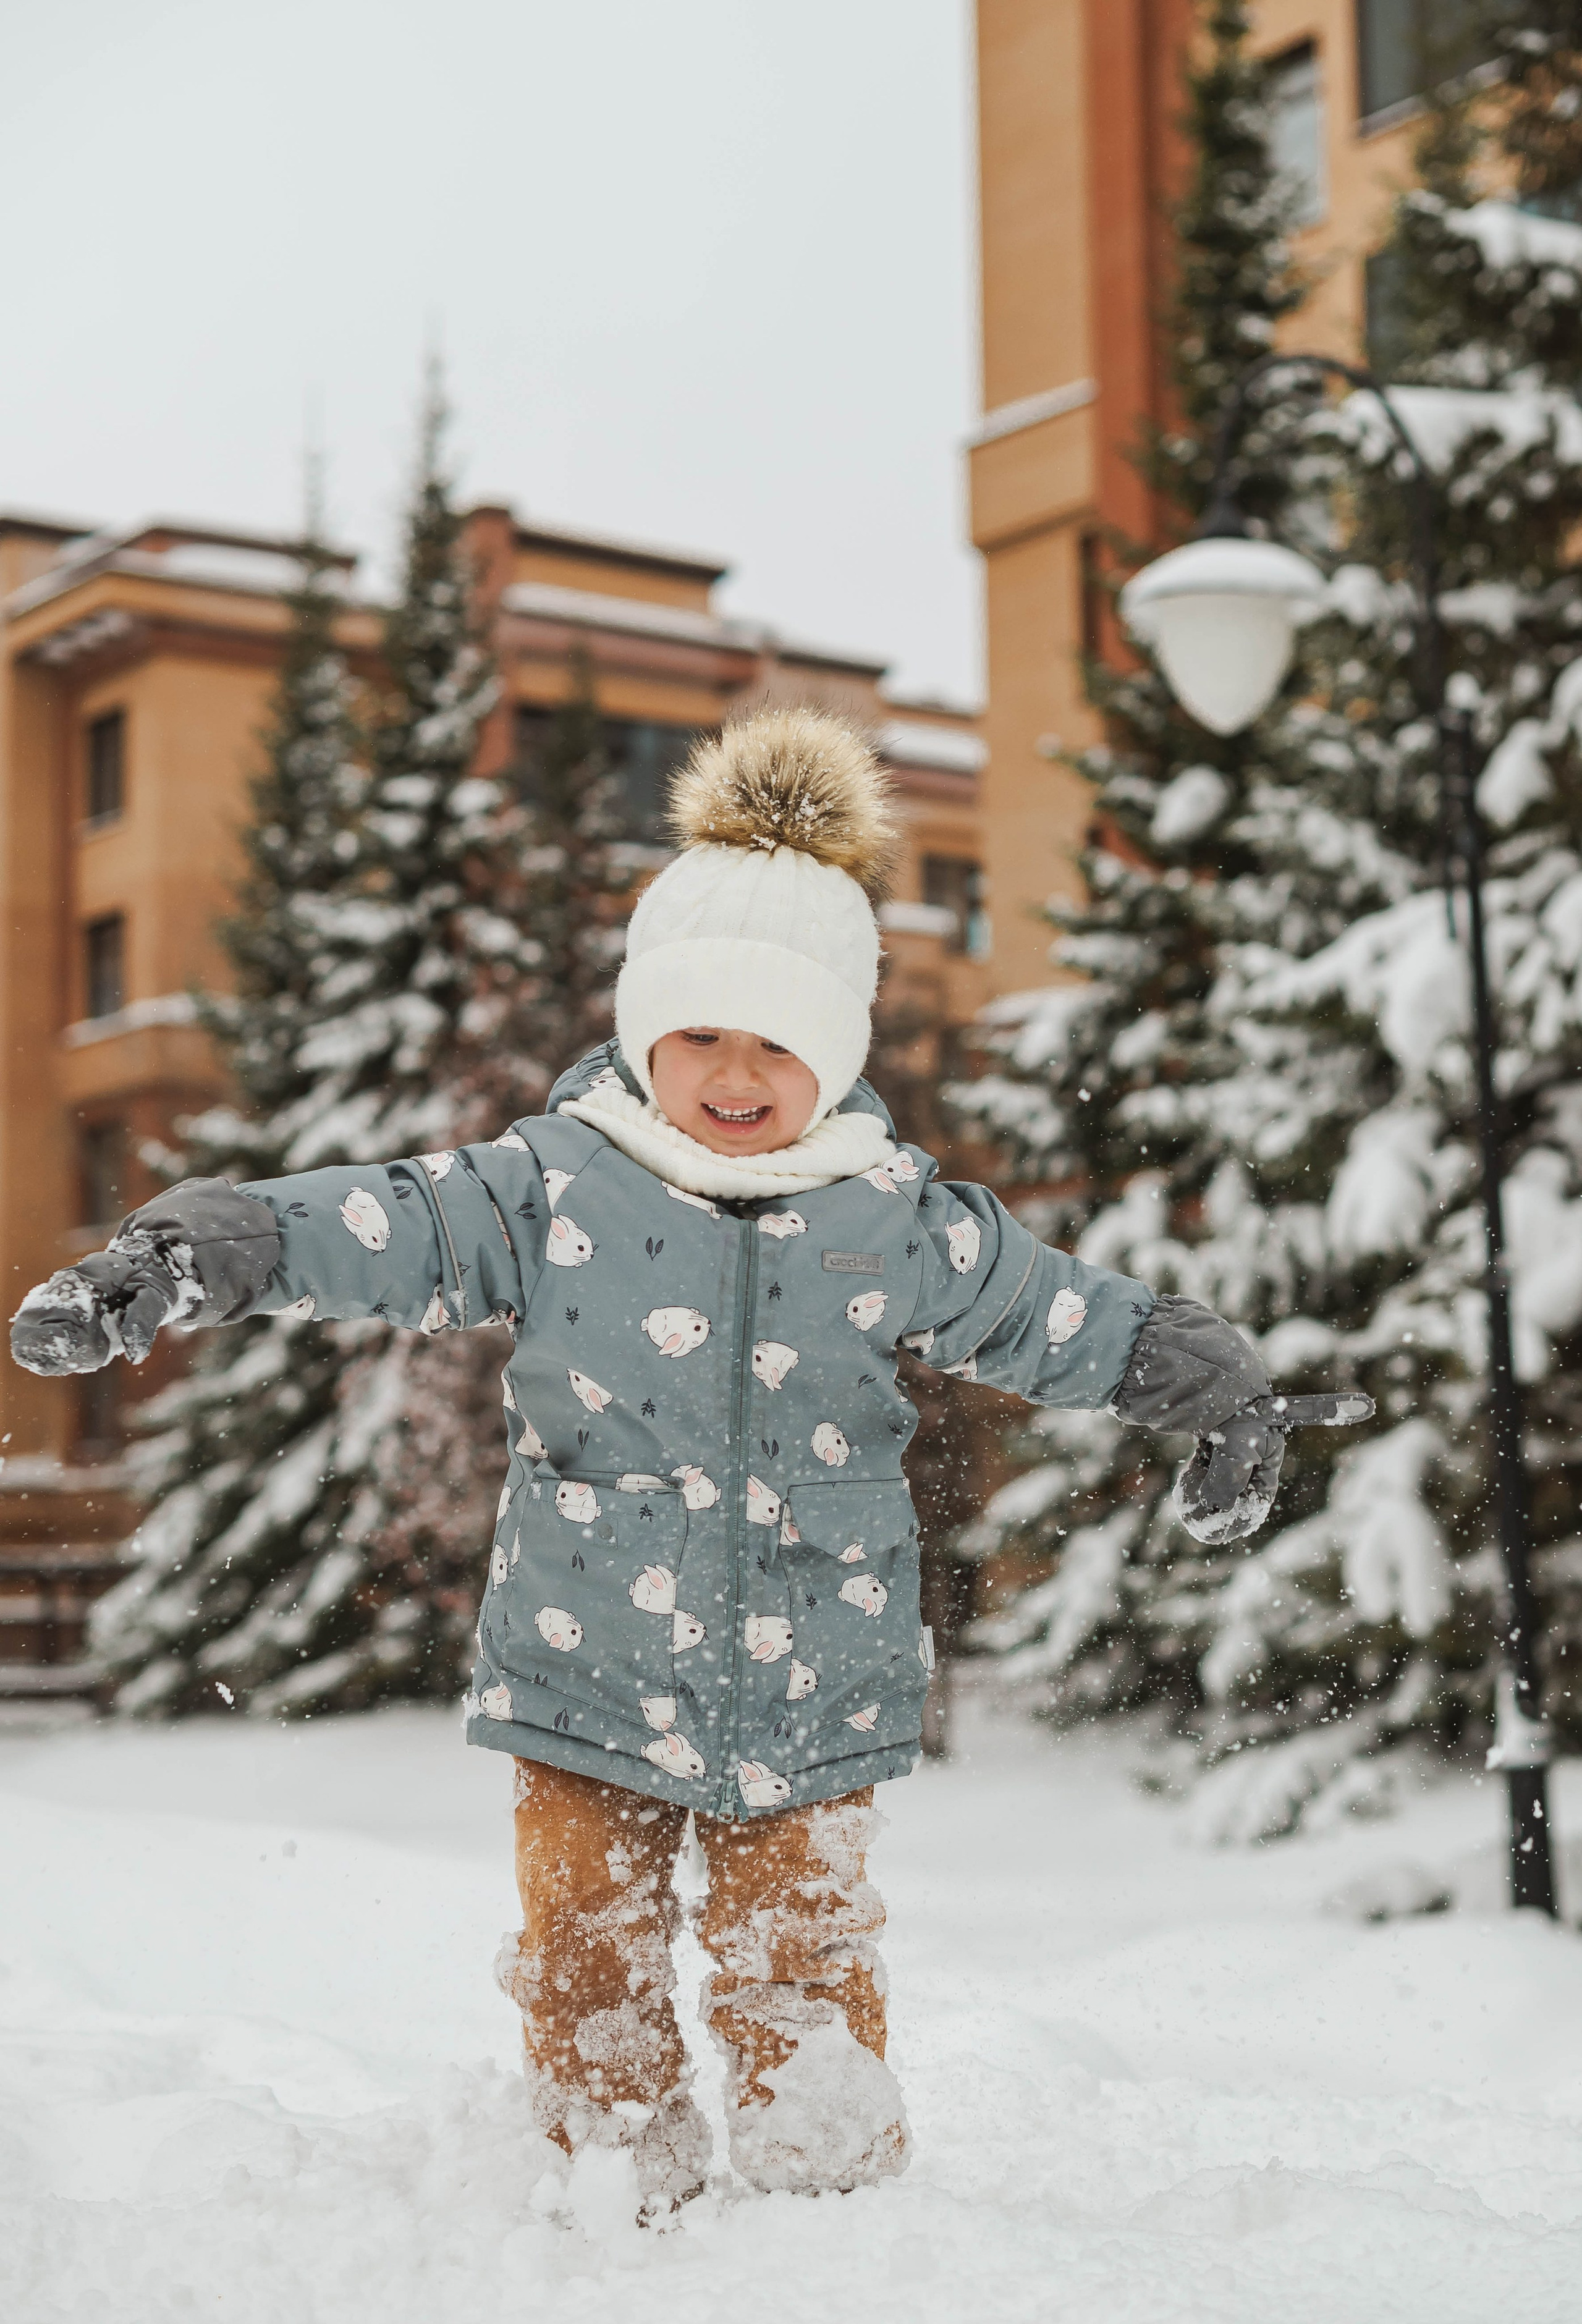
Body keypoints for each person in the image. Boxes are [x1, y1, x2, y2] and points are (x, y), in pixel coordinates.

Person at [9, 707, 1369, 2215]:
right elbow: (373, 1219)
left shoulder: (894, 1217)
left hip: (819, 1664)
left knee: (802, 1956)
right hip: (586, 1655)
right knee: (583, 1948)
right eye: (701, 1032)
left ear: (834, 1054)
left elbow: (1053, 1311)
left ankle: (827, 2208)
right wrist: (191, 1251)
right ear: (642, 1031)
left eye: (778, 1041)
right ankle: (616, 2192)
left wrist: (1208, 1383)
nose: (735, 1071)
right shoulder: (549, 1187)